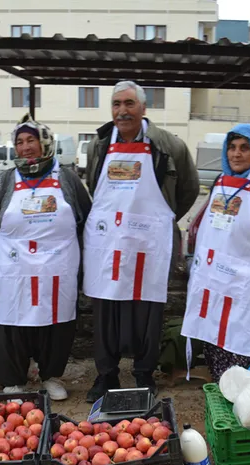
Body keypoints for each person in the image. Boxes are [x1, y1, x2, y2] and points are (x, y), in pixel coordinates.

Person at [83, 80, 199, 402]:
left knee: (148, 309)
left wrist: (161, 221)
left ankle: (144, 374)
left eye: (129, 104)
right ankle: (106, 375)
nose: (122, 111)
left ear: (144, 108)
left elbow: (188, 189)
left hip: (149, 242)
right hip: (109, 241)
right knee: (106, 307)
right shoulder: (100, 144)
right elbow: (96, 186)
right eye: (117, 104)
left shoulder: (168, 146)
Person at [0, 115, 91, 400]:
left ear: (45, 143)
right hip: (13, 267)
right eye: (20, 142)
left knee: (57, 323)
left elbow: (86, 219)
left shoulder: (67, 179)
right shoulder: (4, 182)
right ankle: (13, 381)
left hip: (57, 267)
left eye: (31, 140)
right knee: (11, 323)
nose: (25, 147)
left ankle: (50, 376)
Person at [181, 124, 250, 382]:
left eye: (244, 148)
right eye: (232, 147)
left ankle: (244, 393)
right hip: (216, 280)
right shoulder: (221, 182)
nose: (236, 154)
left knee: (243, 345)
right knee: (214, 335)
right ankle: (222, 387)